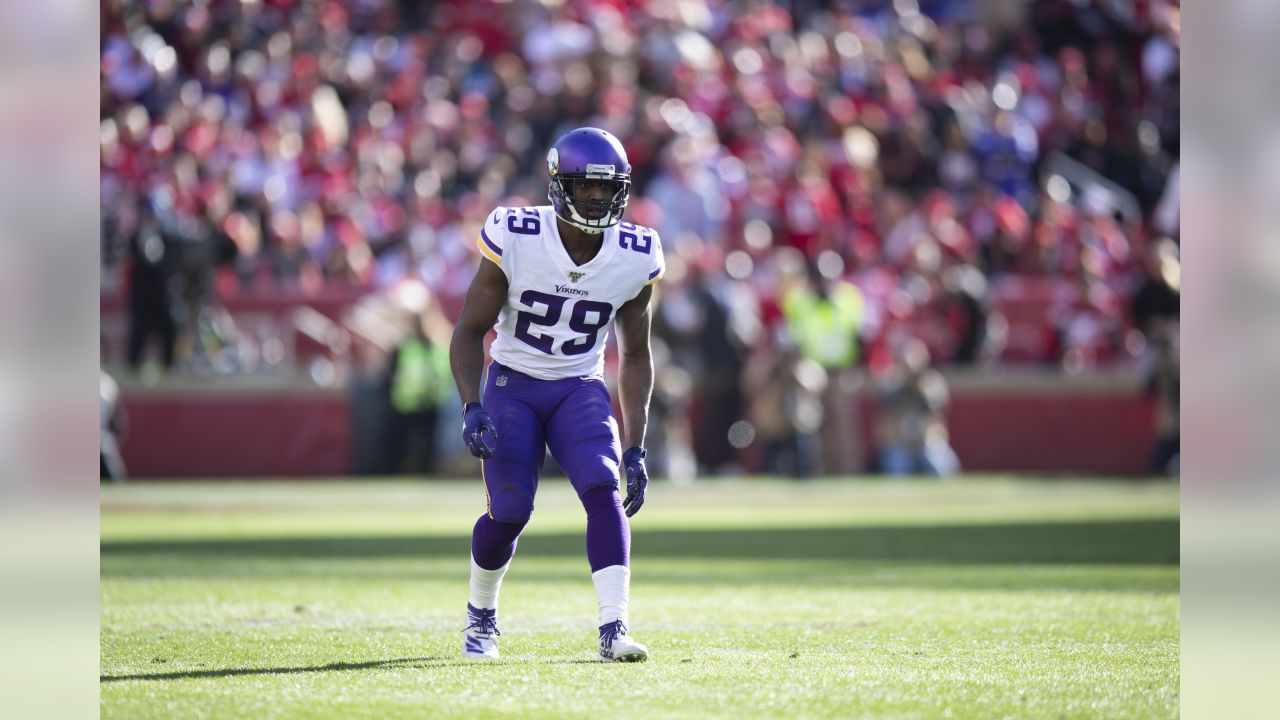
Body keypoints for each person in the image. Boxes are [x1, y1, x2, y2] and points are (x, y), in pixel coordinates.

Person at [450, 128, 662, 662]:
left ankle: (614, 629)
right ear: (555, 183)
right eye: (582, 186)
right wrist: (471, 405)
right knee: (511, 509)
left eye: (604, 188)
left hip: (579, 386)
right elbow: (468, 328)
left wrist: (636, 446)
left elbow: (635, 355)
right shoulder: (516, 234)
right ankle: (481, 615)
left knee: (602, 485)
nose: (594, 197)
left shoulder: (636, 254)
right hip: (513, 383)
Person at [875, 339, 960, 478]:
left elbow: (934, 405)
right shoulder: (893, 384)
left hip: (927, 444)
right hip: (901, 445)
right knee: (896, 468)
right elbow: (886, 410)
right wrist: (905, 382)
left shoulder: (932, 382)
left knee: (942, 469)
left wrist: (919, 385)